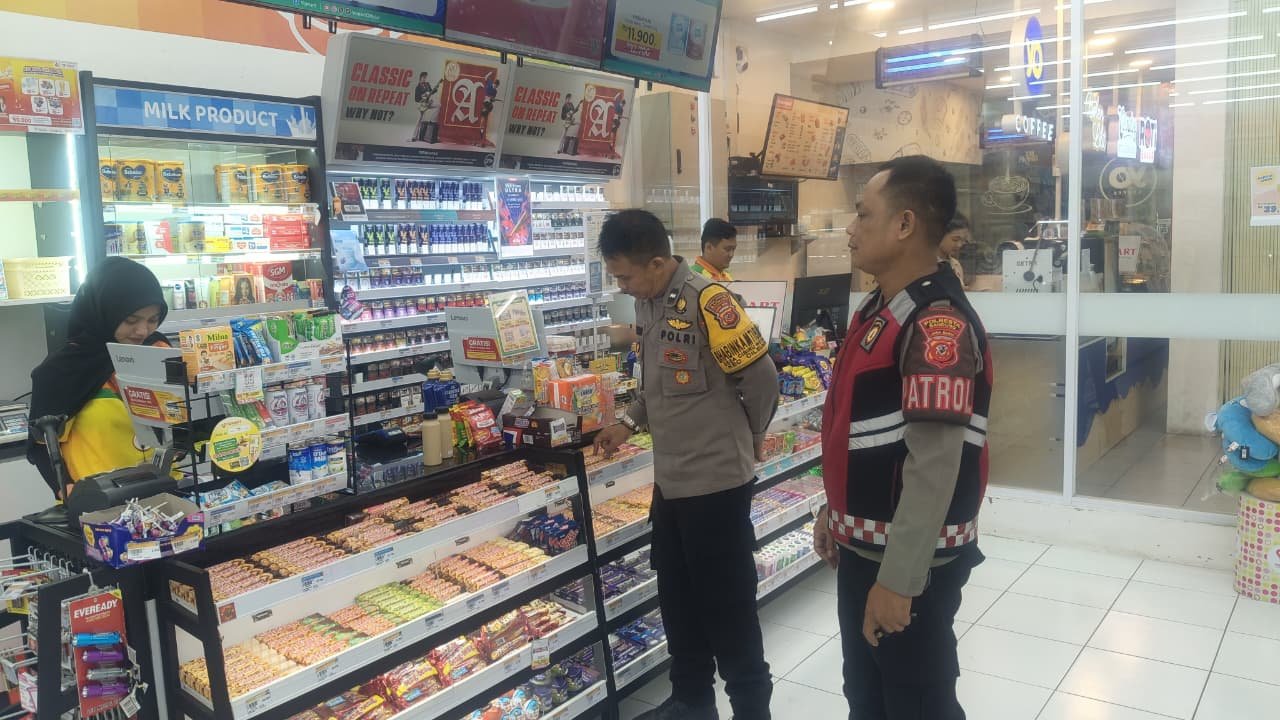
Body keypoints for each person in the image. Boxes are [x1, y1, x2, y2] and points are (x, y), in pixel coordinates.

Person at [812, 156, 993, 720]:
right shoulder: (882, 308)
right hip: (868, 548)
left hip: (908, 562)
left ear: (905, 224)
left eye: (863, 214)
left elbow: (934, 467)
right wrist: (836, 510)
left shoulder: (937, 323)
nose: (851, 228)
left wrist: (899, 580)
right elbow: (865, 431)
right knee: (867, 699)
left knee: (916, 703)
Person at [594, 210, 777, 720]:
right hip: (671, 484)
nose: (623, 287)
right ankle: (691, 702)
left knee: (729, 610)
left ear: (657, 263)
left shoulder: (709, 301)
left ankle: (751, 711)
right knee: (677, 600)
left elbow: (762, 379)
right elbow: (658, 385)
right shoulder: (649, 302)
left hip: (715, 485)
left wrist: (752, 435)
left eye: (626, 276)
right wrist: (628, 423)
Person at [27, 257, 169, 496]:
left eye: (153, 320)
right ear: (103, 312)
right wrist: (68, 492)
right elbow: (42, 447)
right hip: (102, 505)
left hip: (165, 496)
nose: (142, 331)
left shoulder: (157, 350)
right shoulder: (62, 371)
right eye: (131, 320)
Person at [940, 212, 970, 287]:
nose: (959, 245)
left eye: (963, 240)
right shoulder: (928, 265)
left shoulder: (955, 264)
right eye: (955, 239)